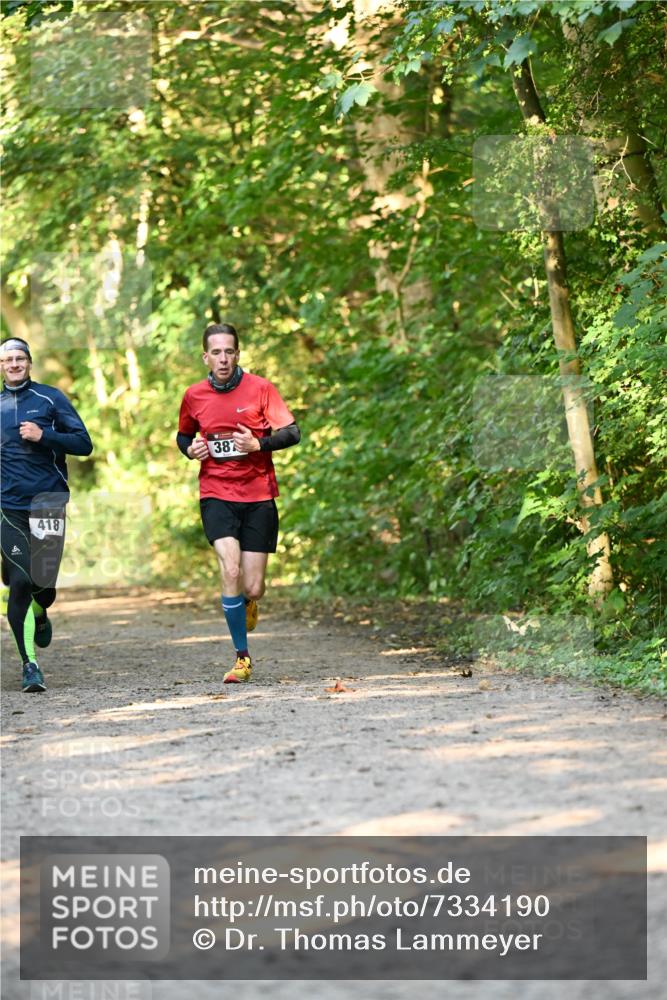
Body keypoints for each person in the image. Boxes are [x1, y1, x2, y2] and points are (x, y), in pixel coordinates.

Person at [177, 322, 300, 683]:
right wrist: (191, 449)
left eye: (229, 351)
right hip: (216, 493)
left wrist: (258, 445)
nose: (223, 358)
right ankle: (242, 658)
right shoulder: (193, 395)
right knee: (229, 570)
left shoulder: (261, 389)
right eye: (216, 352)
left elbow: (292, 432)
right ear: (206, 357)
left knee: (253, 587)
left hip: (259, 495)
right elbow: (184, 435)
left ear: (238, 354)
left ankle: (247, 602)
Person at [0, 337, 93, 692]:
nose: (13, 364)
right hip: (8, 507)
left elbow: (84, 444)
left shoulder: (50, 398)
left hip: (48, 502)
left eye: (19, 358)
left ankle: (41, 611)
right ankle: (30, 666)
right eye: (7, 359)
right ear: (1, 365)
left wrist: (45, 435)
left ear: (29, 362)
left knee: (44, 586)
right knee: (20, 581)